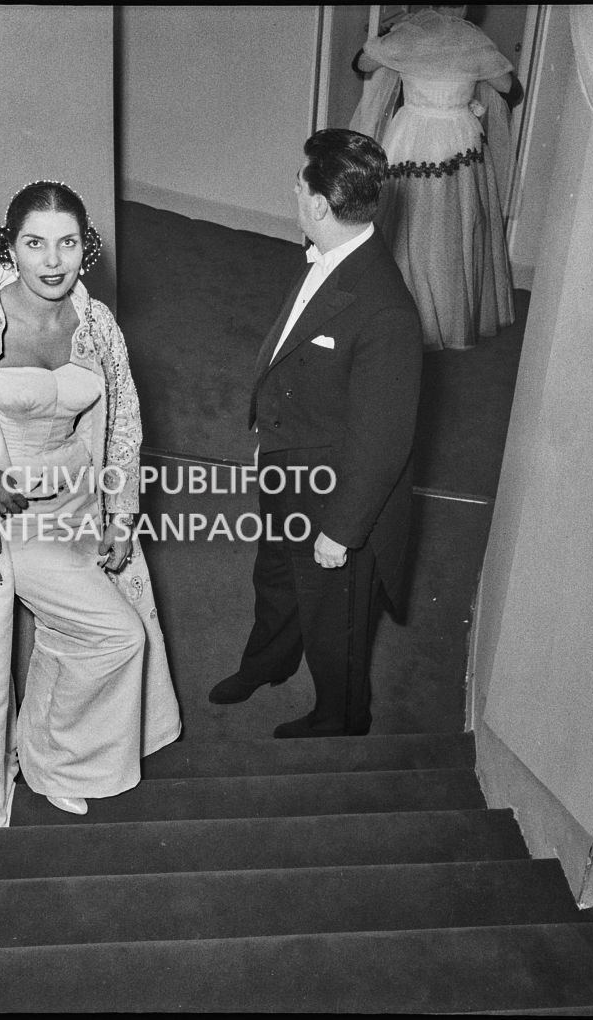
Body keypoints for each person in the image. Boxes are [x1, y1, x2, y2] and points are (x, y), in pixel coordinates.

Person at [0, 181, 181, 826]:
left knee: (103, 634)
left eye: (68, 243)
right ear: (10, 248)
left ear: (87, 248)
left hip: (70, 510)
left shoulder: (97, 324)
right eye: (35, 243)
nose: (53, 261)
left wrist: (121, 516)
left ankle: (55, 759)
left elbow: (124, 429)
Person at [208, 129, 422, 738]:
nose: (293, 191)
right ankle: (268, 665)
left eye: (299, 182)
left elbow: (384, 443)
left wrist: (341, 529)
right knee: (274, 575)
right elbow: (292, 360)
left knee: (336, 616)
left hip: (338, 496)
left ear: (321, 203)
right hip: (289, 463)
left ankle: (342, 714)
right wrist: (269, 437)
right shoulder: (327, 260)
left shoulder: (386, 308)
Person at [350, 5, 516, 350]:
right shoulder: (474, 39)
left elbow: (361, 64)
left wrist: (388, 34)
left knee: (403, 223)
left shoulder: (407, 35)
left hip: (411, 134)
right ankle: (445, 315)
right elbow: (508, 87)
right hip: (458, 137)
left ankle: (391, 311)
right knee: (453, 226)